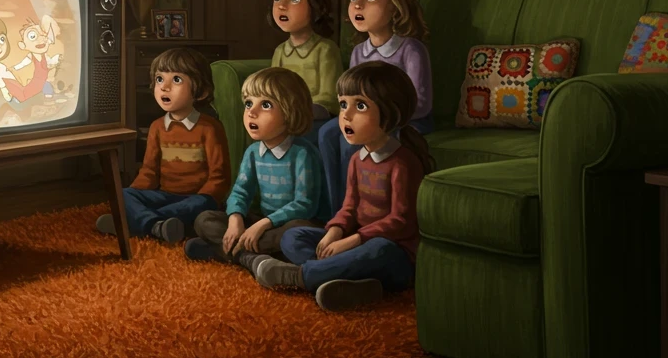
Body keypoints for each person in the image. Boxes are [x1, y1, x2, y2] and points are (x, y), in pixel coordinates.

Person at [256, 61, 435, 311]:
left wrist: (353, 241)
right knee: (293, 237)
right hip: (355, 242)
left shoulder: (403, 163)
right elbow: (349, 207)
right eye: (343, 105)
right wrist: (335, 231)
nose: (346, 115)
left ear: (390, 112)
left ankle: (300, 276)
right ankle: (355, 283)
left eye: (359, 106)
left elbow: (400, 221)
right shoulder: (356, 160)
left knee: (379, 249)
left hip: (393, 253)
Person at [316, 0, 432, 219]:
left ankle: (359, 215)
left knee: (352, 141)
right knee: (326, 133)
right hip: (365, 118)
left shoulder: (411, 50)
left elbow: (422, 103)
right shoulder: (360, 52)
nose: (358, 5)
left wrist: (381, 115)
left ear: (395, 5)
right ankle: (338, 211)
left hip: (406, 122)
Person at [185, 67, 328, 274]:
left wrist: (262, 225)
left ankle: (223, 251)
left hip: (291, 224)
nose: (252, 112)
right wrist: (235, 219)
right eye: (249, 103)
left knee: (293, 235)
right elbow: (240, 192)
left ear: (290, 111)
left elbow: (305, 204)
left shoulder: (303, 153)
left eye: (266, 105)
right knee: (204, 220)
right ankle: (253, 259)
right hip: (263, 221)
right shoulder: (253, 152)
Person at [98, 48, 230, 243]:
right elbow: (149, 172)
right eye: (160, 79)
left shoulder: (210, 128)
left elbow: (219, 178)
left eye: (176, 80)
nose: (164, 87)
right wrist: (133, 199)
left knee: (200, 204)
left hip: (197, 199)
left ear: (201, 91)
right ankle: (156, 225)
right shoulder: (157, 127)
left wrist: (205, 198)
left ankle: (138, 223)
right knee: (125, 194)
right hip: (165, 195)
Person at [268, 0, 344, 148]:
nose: (281, 5)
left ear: (316, 6)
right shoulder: (280, 51)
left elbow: (330, 98)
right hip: (285, 118)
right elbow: (270, 89)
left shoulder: (325, 49)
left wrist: (297, 113)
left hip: (315, 119)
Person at [2, 15, 62, 106]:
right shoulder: (32, 55)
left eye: (43, 34)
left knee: (47, 89)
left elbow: (49, 62)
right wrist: (15, 67)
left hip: (43, 80)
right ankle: (17, 99)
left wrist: (57, 59)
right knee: (26, 94)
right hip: (37, 81)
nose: (41, 38)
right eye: (32, 36)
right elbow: (24, 63)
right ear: (23, 45)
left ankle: (47, 101)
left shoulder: (44, 55)